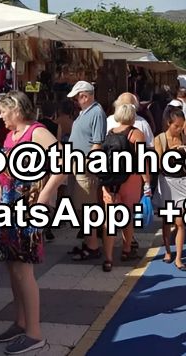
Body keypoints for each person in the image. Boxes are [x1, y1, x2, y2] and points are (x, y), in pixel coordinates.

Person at [0, 92, 68, 353]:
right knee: (14, 268)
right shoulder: (11, 136)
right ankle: (21, 322)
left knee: (24, 270)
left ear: (16, 109)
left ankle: (34, 332)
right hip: (9, 208)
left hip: (27, 208)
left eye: (3, 110)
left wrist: (44, 196)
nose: (0, 115)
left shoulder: (37, 132)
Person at [101, 103, 151, 272]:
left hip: (110, 182)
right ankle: (126, 250)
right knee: (128, 215)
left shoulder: (108, 134)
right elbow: (142, 160)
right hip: (131, 180)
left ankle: (108, 258)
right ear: (132, 116)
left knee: (109, 219)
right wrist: (147, 183)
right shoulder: (136, 134)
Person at [67, 81, 107, 261]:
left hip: (85, 165)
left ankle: (92, 245)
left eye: (78, 97)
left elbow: (97, 143)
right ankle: (88, 241)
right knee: (81, 206)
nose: (77, 100)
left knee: (87, 206)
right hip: (78, 162)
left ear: (86, 95)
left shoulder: (97, 113)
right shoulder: (86, 112)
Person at [154, 108, 186, 271]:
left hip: (183, 181)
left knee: (181, 221)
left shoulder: (184, 137)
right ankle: (168, 251)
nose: (179, 129)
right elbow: (158, 163)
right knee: (168, 220)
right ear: (169, 123)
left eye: (181, 126)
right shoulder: (160, 139)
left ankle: (178, 257)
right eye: (176, 126)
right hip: (167, 182)